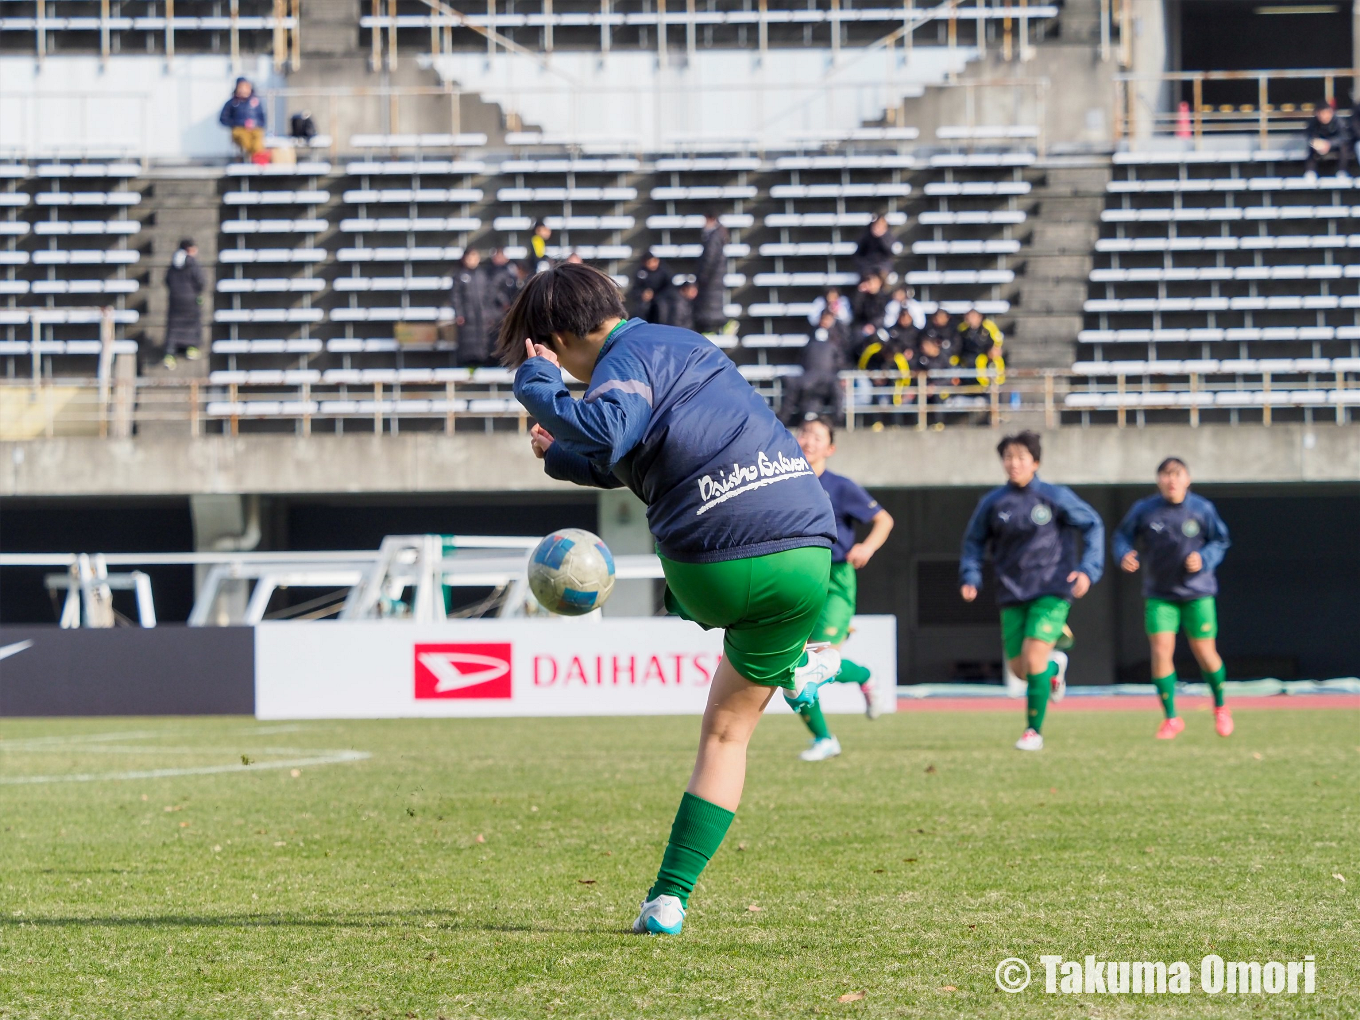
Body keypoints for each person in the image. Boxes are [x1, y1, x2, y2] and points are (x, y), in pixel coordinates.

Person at [500, 262, 842, 936]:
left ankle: (670, 899)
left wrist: (538, 384)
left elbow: (605, 433)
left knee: (721, 721)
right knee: (733, 731)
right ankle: (795, 663)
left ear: (558, 339)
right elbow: (629, 453)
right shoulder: (683, 345)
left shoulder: (620, 362)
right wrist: (559, 451)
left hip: (710, 562)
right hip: (806, 549)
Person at [959, 431, 1105, 751]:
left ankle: (1032, 732)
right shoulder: (993, 502)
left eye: (1021, 457)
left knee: (1035, 658)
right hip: (1011, 592)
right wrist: (970, 576)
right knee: (1020, 670)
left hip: (1053, 589)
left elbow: (1093, 524)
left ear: (1035, 462)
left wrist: (1088, 569)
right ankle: (1055, 669)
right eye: (1008, 457)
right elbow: (973, 542)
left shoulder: (1055, 496)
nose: (1014, 463)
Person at [786, 415, 895, 760]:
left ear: (830, 448)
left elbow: (883, 519)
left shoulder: (841, 486)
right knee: (790, 663)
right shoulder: (783, 482)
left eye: (817, 436)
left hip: (835, 578)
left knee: (819, 661)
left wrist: (867, 547)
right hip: (796, 577)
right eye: (804, 433)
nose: (808, 441)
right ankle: (824, 739)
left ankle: (864, 676)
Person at [1113, 457, 1233, 740]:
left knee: (1205, 653)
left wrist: (1204, 558)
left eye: (1177, 474)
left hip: (1197, 593)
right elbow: (1121, 536)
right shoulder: (1144, 509)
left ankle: (1220, 706)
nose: (1172, 480)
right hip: (1160, 595)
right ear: (1158, 480)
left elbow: (1221, 540)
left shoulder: (1202, 508)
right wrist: (1123, 554)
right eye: (1166, 475)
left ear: (1187, 479)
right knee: (1160, 652)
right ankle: (1171, 718)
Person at [782, 310, 848, 424]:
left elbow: (801, 361)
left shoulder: (809, 344)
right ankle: (838, 421)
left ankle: (783, 419)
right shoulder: (833, 346)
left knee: (808, 401)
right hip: (825, 382)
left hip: (808, 381)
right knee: (825, 398)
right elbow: (840, 363)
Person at [450, 250, 496, 367]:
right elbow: (455, 296)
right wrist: (459, 314)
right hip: (467, 317)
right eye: (470, 258)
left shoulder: (483, 275)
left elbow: (489, 296)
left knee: (483, 343)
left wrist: (489, 313)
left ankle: (482, 364)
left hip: (482, 316)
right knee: (467, 345)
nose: (472, 261)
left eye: (475, 258)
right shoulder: (459, 275)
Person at [163, 238, 204, 368]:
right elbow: (200, 281)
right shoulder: (192, 263)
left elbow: (167, 280)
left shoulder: (173, 263)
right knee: (192, 323)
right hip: (190, 299)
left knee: (174, 326)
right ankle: (191, 348)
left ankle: (170, 354)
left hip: (175, 299)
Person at [693, 213, 729, 333]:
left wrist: (700, 278)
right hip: (714, 281)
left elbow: (708, 260)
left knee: (709, 311)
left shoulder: (713, 239)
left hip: (710, 282)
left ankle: (717, 329)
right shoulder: (718, 236)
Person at [219, 77, 267, 160]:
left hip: (254, 129)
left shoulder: (255, 102)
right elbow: (223, 119)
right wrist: (239, 123)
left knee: (258, 139)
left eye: (246, 87)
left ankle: (257, 158)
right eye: (241, 87)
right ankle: (253, 157)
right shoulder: (232, 103)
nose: (243, 90)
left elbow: (262, 118)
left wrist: (255, 123)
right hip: (239, 129)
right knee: (245, 139)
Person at [958, 307, 1005, 385]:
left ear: (980, 317)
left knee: (996, 359)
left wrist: (994, 350)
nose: (971, 319)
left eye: (974, 316)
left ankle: (996, 382)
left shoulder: (988, 326)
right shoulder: (962, 329)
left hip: (986, 355)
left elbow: (997, 341)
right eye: (969, 316)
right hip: (969, 358)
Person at [1303, 103, 1351, 178]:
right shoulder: (1313, 122)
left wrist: (1330, 143)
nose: (1324, 116)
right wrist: (1315, 142)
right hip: (1320, 145)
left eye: (1326, 113)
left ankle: (1342, 171)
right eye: (1321, 114)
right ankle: (1310, 172)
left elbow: (1343, 136)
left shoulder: (1338, 121)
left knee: (1344, 147)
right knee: (1311, 148)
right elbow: (1309, 135)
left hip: (1334, 145)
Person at [630, 253, 672, 321]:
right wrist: (643, 294)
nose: (652, 264)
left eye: (654, 261)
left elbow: (669, 288)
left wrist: (656, 295)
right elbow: (635, 289)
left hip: (661, 300)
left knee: (662, 307)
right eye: (649, 262)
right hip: (645, 302)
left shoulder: (664, 272)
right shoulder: (640, 272)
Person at [853, 215, 896, 280]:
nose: (878, 228)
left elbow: (890, 252)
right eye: (876, 225)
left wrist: (882, 237)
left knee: (883, 275)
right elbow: (859, 254)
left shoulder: (889, 237)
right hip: (868, 267)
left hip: (883, 266)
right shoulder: (866, 237)